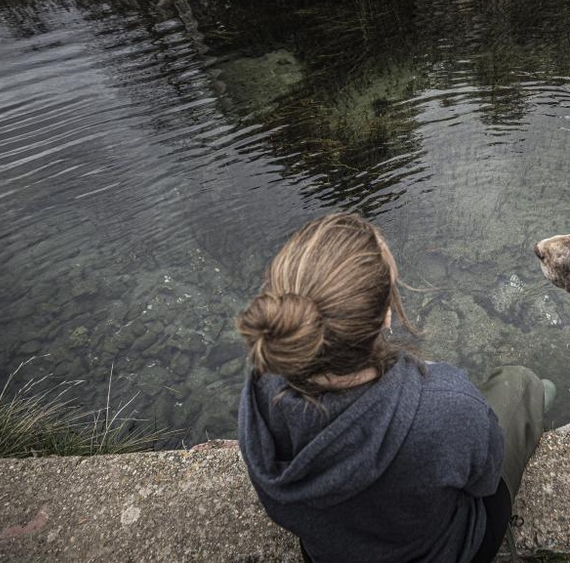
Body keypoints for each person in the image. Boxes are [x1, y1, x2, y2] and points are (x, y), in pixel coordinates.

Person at [236, 212, 553, 562]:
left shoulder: (259, 386)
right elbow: (484, 481)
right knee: (519, 383)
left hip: (329, 553)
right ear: (386, 315)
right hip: (447, 551)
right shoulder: (446, 403)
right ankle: (539, 397)